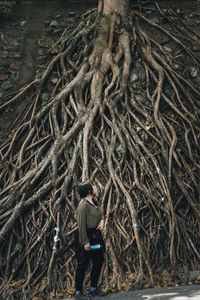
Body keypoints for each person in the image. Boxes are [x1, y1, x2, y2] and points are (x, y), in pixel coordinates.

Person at [74, 181, 107, 299]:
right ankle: (78, 292)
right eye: (92, 186)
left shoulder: (93, 202)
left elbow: (99, 215)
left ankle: (93, 289)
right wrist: (85, 242)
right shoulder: (83, 205)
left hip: (95, 236)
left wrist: (102, 221)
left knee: (99, 260)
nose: (95, 187)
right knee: (83, 264)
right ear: (89, 191)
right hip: (86, 236)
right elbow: (81, 225)